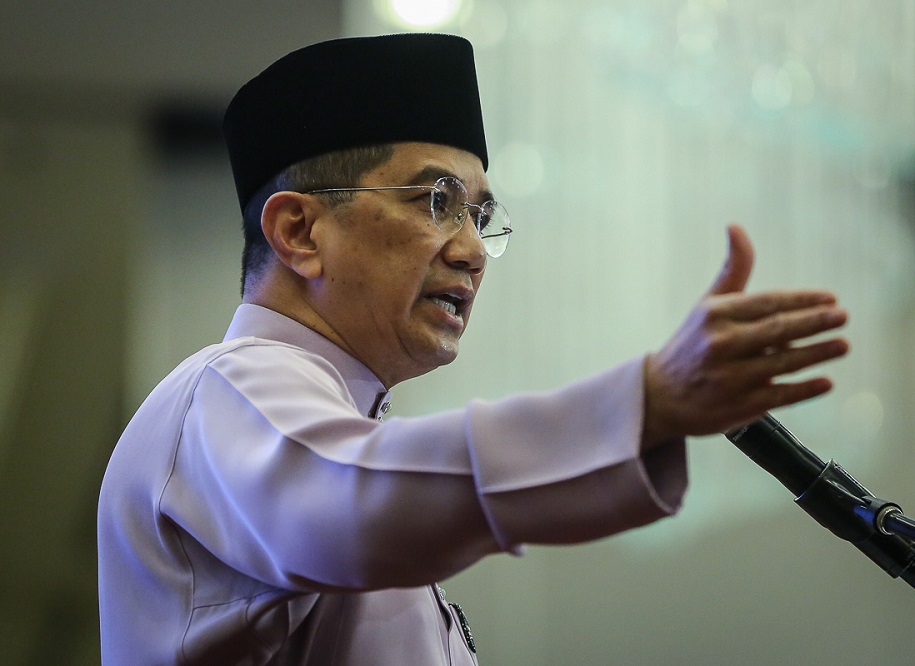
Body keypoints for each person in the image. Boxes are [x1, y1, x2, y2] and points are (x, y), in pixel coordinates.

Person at [97, 33, 849, 665]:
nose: (473, 251)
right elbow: (357, 504)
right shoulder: (229, 390)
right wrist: (640, 404)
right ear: (298, 232)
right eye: (437, 203)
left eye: (481, 217)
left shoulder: (341, 422)